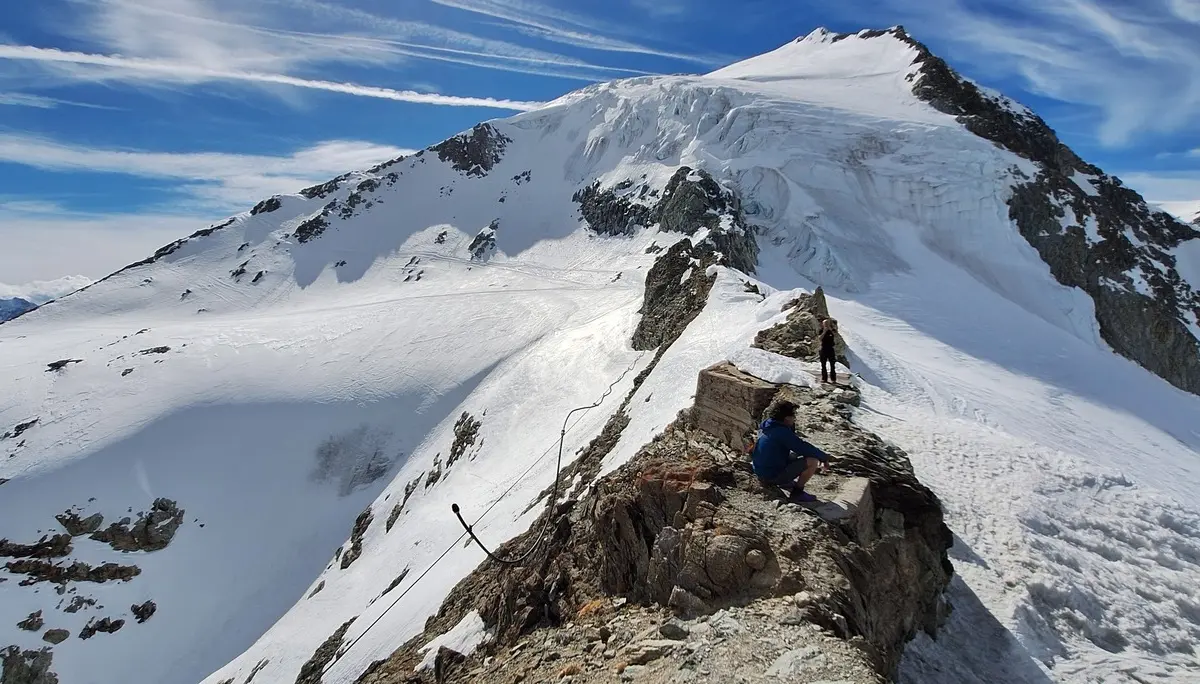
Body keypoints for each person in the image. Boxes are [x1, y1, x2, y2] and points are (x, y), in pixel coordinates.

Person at [751, 401, 830, 502]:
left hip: (760, 470)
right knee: (812, 461)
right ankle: (797, 493)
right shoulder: (782, 432)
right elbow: (802, 447)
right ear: (787, 418)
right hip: (770, 475)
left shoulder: (768, 425)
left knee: (794, 454)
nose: (794, 418)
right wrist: (824, 457)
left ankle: (785, 481)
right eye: (793, 416)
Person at [819, 319, 838, 384]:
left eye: (827, 323)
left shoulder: (832, 330)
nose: (826, 325)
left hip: (831, 349)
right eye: (825, 324)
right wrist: (824, 332)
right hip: (824, 349)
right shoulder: (821, 331)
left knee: (832, 365)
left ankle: (833, 379)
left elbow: (835, 335)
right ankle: (824, 378)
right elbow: (819, 338)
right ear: (823, 324)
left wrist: (830, 330)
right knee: (823, 364)